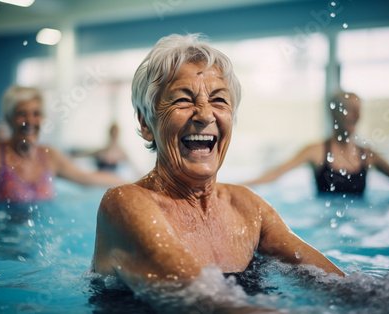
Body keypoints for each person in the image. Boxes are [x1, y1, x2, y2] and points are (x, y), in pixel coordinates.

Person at [92, 34, 345, 296]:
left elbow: (340, 285)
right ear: (146, 123)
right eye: (183, 99)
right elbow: (203, 300)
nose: (204, 114)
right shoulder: (125, 203)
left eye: (218, 100)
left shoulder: (248, 208)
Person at [0, 86, 128, 203]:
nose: (30, 121)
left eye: (36, 114)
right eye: (22, 113)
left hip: (37, 251)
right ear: (9, 118)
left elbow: (88, 178)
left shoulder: (49, 156)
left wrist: (138, 183)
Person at [242, 91, 389, 197]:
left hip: (361, 228)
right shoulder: (316, 151)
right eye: (349, 110)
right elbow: (274, 176)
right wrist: (233, 186)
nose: (356, 115)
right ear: (334, 114)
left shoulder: (369, 156)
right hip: (324, 226)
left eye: (358, 110)